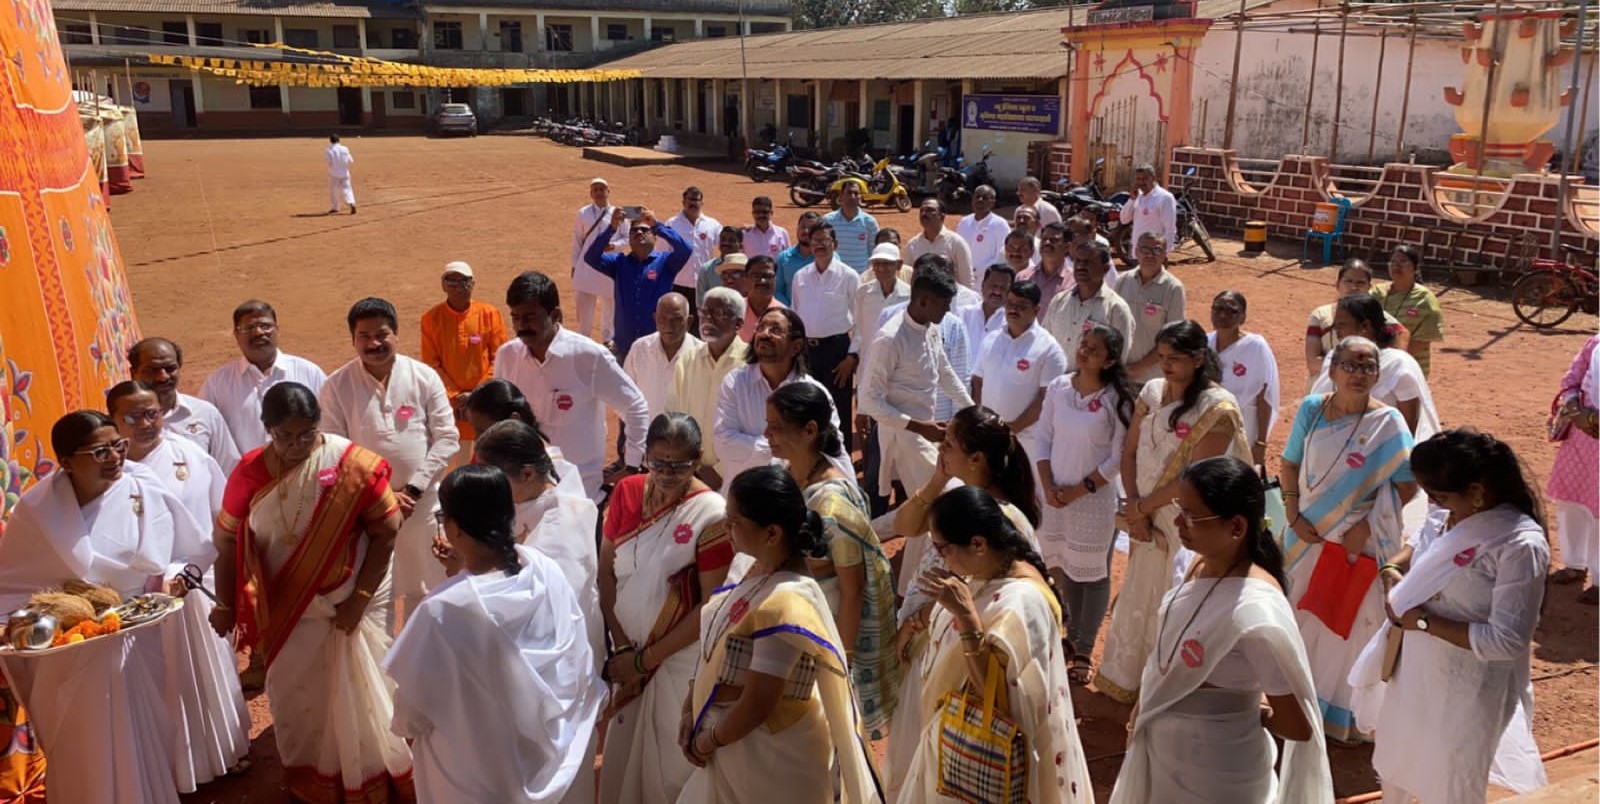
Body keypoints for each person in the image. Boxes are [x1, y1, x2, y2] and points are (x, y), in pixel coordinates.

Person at [211, 383, 414, 803]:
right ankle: (312, 780)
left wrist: (358, 600)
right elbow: (227, 541)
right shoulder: (249, 473)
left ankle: (372, 775)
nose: (297, 445)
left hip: (354, 599)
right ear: (267, 429)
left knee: (366, 686)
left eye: (307, 434)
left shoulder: (351, 464)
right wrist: (226, 604)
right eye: (285, 436)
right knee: (293, 693)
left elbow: (386, 530)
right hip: (287, 608)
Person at [0, 411, 213, 804]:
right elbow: (12, 586)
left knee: (142, 733)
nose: (115, 457)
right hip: (68, 650)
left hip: (137, 637)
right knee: (83, 741)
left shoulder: (145, 490)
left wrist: (175, 577)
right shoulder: (36, 512)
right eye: (99, 451)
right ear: (65, 462)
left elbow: (187, 550)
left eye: (118, 446)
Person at [1112, 457, 1331, 804]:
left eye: (1192, 516)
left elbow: (1295, 725)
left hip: (1219, 779)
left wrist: (1245, 711)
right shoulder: (1198, 563)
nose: (1179, 523)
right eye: (1179, 509)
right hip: (1166, 765)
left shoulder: (1255, 611)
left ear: (1236, 527)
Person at [1350, 431, 1549, 803]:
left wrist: (1423, 621)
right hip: (1412, 673)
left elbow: (1507, 640)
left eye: (1439, 495)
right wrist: (1392, 569)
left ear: (1476, 490)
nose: (1432, 502)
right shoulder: (1446, 514)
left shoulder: (1519, 545)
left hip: (1467, 689)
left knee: (1451, 783)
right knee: (1397, 763)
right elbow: (1419, 544)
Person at [386, 465, 604, 804]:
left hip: (470, 774)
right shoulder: (543, 568)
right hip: (543, 762)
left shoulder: (444, 609)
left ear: (454, 528)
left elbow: (412, 712)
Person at [677, 466, 882, 803]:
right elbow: (713, 654)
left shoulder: (786, 603)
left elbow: (758, 702)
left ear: (771, 533)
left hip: (766, 763)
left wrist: (706, 742)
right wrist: (689, 710)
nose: (725, 528)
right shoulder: (755, 573)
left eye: (734, 522)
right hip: (734, 748)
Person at [893, 486, 1091, 802]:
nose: (941, 559)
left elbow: (1000, 698)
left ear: (978, 543)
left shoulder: (1023, 604)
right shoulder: (985, 571)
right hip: (956, 739)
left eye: (942, 549)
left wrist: (968, 620)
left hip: (985, 754)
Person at [1098, 321, 1251, 705]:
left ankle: (1171, 685)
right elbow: (1130, 450)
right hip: (1143, 513)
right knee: (1139, 592)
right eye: (1162, 357)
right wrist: (1134, 505)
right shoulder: (1151, 392)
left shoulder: (1217, 409)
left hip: (1186, 520)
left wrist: (1141, 509)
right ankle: (1129, 678)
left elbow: (1193, 479)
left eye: (1175, 359)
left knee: (1176, 596)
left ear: (1199, 360)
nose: (1165, 366)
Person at [106, 382, 251, 788]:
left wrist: (190, 574)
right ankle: (164, 769)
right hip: (135, 599)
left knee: (207, 676)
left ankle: (222, 753)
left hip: (192, 586)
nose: (145, 424)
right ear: (114, 420)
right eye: (132, 417)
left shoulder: (191, 457)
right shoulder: (107, 472)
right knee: (152, 682)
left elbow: (223, 523)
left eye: (152, 413)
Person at [1280, 336, 1419, 743]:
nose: (1359, 374)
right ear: (1333, 369)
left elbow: (1407, 486)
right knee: (1299, 617)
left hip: (1356, 547)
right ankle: (1295, 705)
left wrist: (1368, 526)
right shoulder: (1313, 408)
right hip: (1306, 536)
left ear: (1378, 374)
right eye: (1350, 365)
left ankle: (1341, 719)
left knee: (1345, 629)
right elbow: (1289, 464)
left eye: (1368, 367)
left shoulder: (1388, 423)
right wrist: (1292, 513)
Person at [598, 414, 737, 804]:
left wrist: (645, 662)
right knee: (625, 753)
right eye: (659, 462)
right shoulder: (626, 492)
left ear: (697, 460)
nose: (668, 473)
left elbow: (710, 605)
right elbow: (605, 572)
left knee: (669, 767)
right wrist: (624, 648)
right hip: (625, 649)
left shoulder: (711, 514)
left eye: (680, 464)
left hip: (676, 659)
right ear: (646, 457)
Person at [766, 384, 899, 736]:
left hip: (826, 630)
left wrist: (842, 658)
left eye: (776, 426)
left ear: (809, 431)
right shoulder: (789, 474)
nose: (768, 435)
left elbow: (853, 588)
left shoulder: (832, 502)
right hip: (799, 623)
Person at [320, 297, 460, 630]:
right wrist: (382, 495)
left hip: (423, 505)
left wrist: (413, 488)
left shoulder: (423, 376)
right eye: (364, 336)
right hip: (367, 511)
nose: (374, 344)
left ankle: (426, 667)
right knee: (373, 593)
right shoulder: (336, 386)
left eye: (381, 334)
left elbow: (447, 438)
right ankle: (382, 677)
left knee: (430, 588)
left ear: (396, 334)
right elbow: (335, 452)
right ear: (353, 339)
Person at [1031, 324, 1134, 684]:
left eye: (1093, 349)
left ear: (1109, 360)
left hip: (1091, 501)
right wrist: (1047, 485)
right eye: (1083, 345)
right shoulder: (1060, 388)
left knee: (1092, 573)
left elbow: (1119, 458)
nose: (1084, 352)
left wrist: (1078, 490)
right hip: (1054, 496)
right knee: (1061, 565)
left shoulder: (1115, 400)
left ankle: (1085, 647)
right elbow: (1043, 438)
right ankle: (1071, 635)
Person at [494, 271, 650, 497]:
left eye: (530, 317)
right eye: (515, 317)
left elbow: (635, 406)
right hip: (524, 493)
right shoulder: (507, 356)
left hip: (580, 491)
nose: (521, 326)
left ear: (555, 314)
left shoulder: (589, 356)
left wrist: (633, 464)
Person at [858, 262, 973, 542]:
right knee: (948, 499)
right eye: (943, 303)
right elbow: (869, 401)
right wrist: (921, 428)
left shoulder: (930, 327)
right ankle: (863, 537)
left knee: (924, 513)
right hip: (905, 437)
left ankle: (911, 579)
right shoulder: (889, 339)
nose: (948, 310)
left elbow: (944, 372)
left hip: (925, 433)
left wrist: (971, 410)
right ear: (922, 301)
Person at [713, 307, 850, 492]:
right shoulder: (735, 383)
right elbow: (724, 444)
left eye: (776, 330)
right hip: (743, 497)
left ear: (796, 346)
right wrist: (788, 447)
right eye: (761, 327)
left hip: (795, 501)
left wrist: (851, 493)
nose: (764, 334)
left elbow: (833, 449)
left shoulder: (814, 393)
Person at [200, 299, 327, 455]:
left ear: (277, 329)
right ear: (236, 335)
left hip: (303, 472)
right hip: (246, 475)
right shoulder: (217, 383)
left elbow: (328, 424)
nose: (258, 332)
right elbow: (206, 431)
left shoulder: (309, 372)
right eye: (249, 327)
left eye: (265, 326)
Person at [1310, 295, 1440, 443]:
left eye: (1341, 324)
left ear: (1365, 326)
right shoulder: (1335, 356)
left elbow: (1409, 422)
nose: (1335, 329)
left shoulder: (1397, 364)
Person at [586, 205, 695, 362]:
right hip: (625, 346)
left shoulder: (666, 262)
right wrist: (612, 228)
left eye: (645, 230)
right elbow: (591, 257)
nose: (639, 232)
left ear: (654, 237)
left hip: (657, 345)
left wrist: (657, 225)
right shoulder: (618, 262)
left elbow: (685, 249)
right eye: (634, 231)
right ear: (629, 239)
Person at [669, 287, 749, 490]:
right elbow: (674, 415)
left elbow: (755, 429)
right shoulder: (688, 359)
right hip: (690, 472)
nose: (709, 319)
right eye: (705, 312)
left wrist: (719, 472)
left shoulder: (751, 366)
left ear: (739, 322)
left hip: (736, 477)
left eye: (719, 313)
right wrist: (690, 464)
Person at [420, 260, 507, 442]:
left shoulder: (490, 314)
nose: (459, 287)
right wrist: (455, 397)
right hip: (450, 407)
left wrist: (477, 394)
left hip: (486, 403)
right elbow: (431, 364)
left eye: (464, 282)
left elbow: (500, 358)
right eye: (452, 282)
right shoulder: (431, 319)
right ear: (444, 286)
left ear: (473, 284)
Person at [972, 280, 1067, 447]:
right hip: (988, 434)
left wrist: (1011, 429)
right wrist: (982, 421)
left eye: (1022, 306)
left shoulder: (1049, 349)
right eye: (1010, 304)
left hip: (1026, 441)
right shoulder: (991, 339)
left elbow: (1045, 398)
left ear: (1036, 310)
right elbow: (977, 382)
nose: (1013, 310)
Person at [791, 222, 859, 452]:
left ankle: (842, 459)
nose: (819, 245)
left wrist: (852, 357)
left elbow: (861, 321)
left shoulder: (848, 276)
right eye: (815, 241)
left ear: (835, 244)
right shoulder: (800, 277)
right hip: (807, 353)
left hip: (837, 351)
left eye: (824, 240)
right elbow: (795, 316)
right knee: (809, 408)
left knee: (839, 409)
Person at [128, 336, 240, 472]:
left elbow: (229, 468)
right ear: (134, 373)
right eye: (152, 370)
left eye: (170, 369)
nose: (163, 377)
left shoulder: (205, 414)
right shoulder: (121, 422)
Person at [463, 378, 585, 499]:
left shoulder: (546, 469)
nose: (477, 438)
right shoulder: (490, 451)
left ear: (513, 419)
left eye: (483, 431)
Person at [1547, 335, 1600, 604]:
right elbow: (1571, 381)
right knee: (1571, 501)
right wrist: (1577, 412)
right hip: (1583, 437)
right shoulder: (1596, 343)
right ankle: (1574, 564)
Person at [1208, 290, 1280, 466]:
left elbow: (1265, 396)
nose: (1223, 314)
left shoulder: (1256, 346)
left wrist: (1261, 443)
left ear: (1243, 318)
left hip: (1244, 425)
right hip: (1208, 424)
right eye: (1218, 308)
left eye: (1232, 311)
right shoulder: (1204, 342)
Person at [1304, 259, 1410, 379]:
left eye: (1360, 283)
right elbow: (1312, 362)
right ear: (1337, 284)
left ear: (1369, 287)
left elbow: (1401, 335)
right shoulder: (1320, 315)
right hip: (1324, 385)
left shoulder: (1377, 315)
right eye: (1348, 281)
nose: (1354, 287)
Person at [1041, 240, 1134, 372]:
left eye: (1088, 262)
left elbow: (1119, 359)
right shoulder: (1059, 301)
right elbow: (1045, 344)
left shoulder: (1116, 309)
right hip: (1057, 385)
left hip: (1093, 389)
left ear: (1105, 268)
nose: (1080, 267)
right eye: (1078, 261)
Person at [1115, 232, 1188, 384]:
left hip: (1152, 379)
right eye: (1144, 250)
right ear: (1135, 251)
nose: (1150, 255)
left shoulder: (1173, 288)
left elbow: (1172, 338)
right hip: (1120, 374)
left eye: (1156, 250)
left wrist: (1138, 368)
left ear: (1164, 255)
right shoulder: (1122, 281)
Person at [624, 293, 702, 420]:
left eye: (676, 319)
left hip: (686, 438)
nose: (668, 326)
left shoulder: (702, 356)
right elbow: (624, 395)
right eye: (662, 319)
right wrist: (638, 426)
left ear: (689, 322)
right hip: (644, 436)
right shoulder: (640, 349)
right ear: (655, 319)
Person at [1371, 244, 1443, 377]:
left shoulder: (1425, 299)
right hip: (1374, 366)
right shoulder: (1376, 292)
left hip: (1408, 369)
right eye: (1393, 262)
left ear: (1416, 268)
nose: (1397, 266)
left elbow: (1421, 341)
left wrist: (1390, 361)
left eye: (1403, 262)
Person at [570, 177, 625, 345]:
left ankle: (607, 340)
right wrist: (574, 265)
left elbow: (627, 238)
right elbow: (577, 240)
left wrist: (614, 245)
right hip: (586, 265)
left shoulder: (618, 213)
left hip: (609, 265)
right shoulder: (583, 213)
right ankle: (584, 339)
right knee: (585, 306)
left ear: (609, 191)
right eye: (595, 189)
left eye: (602, 189)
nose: (599, 192)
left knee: (610, 305)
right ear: (591, 193)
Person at [667, 186, 723, 312]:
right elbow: (662, 253)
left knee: (701, 322)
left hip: (703, 284)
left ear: (702, 203)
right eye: (690, 200)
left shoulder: (712, 225)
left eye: (696, 200)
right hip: (677, 283)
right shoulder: (671, 224)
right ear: (683, 202)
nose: (693, 203)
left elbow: (727, 243)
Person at [904, 198, 974, 289]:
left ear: (942, 216)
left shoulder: (956, 243)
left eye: (930, 210)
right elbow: (907, 278)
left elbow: (966, 280)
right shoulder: (912, 245)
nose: (924, 214)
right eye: (922, 211)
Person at [820, 180, 879, 274]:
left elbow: (874, 250)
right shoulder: (828, 221)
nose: (852, 196)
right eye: (849, 192)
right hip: (835, 277)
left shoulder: (870, 222)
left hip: (861, 278)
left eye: (856, 193)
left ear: (861, 197)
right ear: (841, 196)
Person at [955, 184, 1009, 280]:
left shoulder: (1000, 224)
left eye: (985, 198)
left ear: (993, 202)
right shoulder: (964, 222)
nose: (980, 200)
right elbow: (956, 248)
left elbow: (1002, 253)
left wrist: (978, 270)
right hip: (963, 277)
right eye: (977, 197)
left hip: (987, 279)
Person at [1118, 163, 1176, 251]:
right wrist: (1131, 200)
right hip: (1137, 251)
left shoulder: (1165, 197)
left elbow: (1170, 228)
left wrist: (1166, 252)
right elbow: (1124, 219)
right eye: (1138, 179)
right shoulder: (1137, 196)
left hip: (1154, 253)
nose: (1141, 182)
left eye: (1144, 179)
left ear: (1153, 178)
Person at [960, 263, 1010, 361]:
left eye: (1003, 288)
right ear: (982, 286)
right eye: (993, 286)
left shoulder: (1011, 323)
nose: (997, 292)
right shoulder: (963, 314)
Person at [1017, 222, 1070, 307]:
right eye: (1044, 239)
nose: (1047, 243)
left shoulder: (1074, 281)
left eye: (1054, 240)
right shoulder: (1022, 277)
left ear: (1067, 247)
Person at [773, 211, 820, 306]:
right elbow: (777, 290)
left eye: (811, 228)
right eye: (803, 227)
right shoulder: (783, 258)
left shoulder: (828, 257)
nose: (806, 231)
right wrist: (791, 310)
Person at [736, 255, 786, 343]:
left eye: (768, 276)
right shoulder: (734, 311)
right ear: (745, 279)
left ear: (775, 279)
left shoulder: (784, 314)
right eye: (756, 276)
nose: (762, 281)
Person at [696, 226, 746, 308]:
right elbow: (701, 302)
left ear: (740, 246)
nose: (726, 243)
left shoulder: (749, 268)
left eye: (731, 240)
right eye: (723, 239)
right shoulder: (706, 269)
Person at [742, 195, 791, 260]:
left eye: (765, 212)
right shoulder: (745, 235)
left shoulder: (782, 233)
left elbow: (788, 257)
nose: (761, 215)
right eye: (757, 212)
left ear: (771, 213)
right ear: (753, 213)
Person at [325, 133, 355, 215]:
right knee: (347, 189)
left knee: (334, 190)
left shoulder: (328, 149)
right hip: (345, 172)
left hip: (334, 173)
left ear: (330, 141)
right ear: (339, 140)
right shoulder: (345, 148)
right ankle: (351, 202)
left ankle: (335, 207)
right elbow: (350, 160)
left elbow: (329, 162)